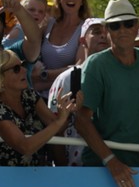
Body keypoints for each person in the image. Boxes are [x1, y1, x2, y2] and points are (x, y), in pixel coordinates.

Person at [74, 0, 139, 187]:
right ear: (107, 30)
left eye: (128, 23)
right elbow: (81, 119)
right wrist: (111, 161)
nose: (123, 30)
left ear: (137, 26)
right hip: (102, 170)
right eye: (115, 25)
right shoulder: (96, 65)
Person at [0, 48, 75, 167]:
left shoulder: (29, 95)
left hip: (38, 175)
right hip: (6, 180)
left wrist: (69, 111)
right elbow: (25, 147)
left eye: (22, 65)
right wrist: (59, 121)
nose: (24, 70)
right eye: (16, 69)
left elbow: (56, 126)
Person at [47, 17, 111, 166]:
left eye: (106, 32)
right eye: (96, 32)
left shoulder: (118, 77)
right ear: (82, 41)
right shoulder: (67, 78)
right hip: (75, 167)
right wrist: (63, 170)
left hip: (111, 166)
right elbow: (54, 128)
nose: (103, 36)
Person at [36, 0, 91, 90]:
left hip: (64, 94)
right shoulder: (48, 24)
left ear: (82, 0)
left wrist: (44, 75)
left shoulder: (85, 29)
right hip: (38, 94)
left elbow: (78, 68)